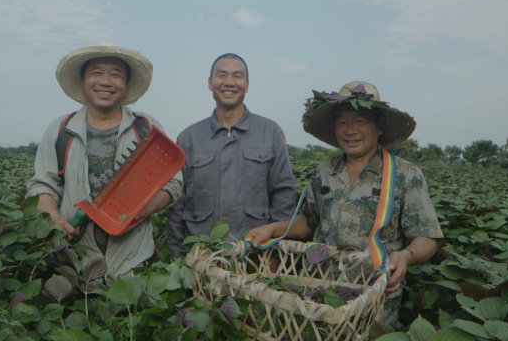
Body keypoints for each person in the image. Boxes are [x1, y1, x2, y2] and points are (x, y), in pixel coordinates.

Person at [248, 81, 443, 327]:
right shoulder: (325, 171)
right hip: (320, 292)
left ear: (379, 125)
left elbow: (427, 237)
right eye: (342, 122)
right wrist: (273, 229)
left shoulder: (406, 174)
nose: (350, 130)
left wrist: (405, 256)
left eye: (360, 121)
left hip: (374, 298)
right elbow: (309, 221)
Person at [27, 43, 183, 277]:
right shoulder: (61, 130)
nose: (106, 81)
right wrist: (55, 218)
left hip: (134, 259)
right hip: (75, 260)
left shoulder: (146, 128)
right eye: (97, 72)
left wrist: (142, 210)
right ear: (82, 81)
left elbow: (173, 182)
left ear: (126, 84)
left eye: (115, 74)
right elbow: (43, 185)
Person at [166, 53, 296, 260]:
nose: (229, 82)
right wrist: (176, 258)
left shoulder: (270, 132)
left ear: (247, 83)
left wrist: (276, 255)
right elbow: (176, 205)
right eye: (221, 75)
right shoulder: (188, 138)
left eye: (237, 76)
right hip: (201, 259)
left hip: (255, 257)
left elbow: (283, 196)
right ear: (210, 82)